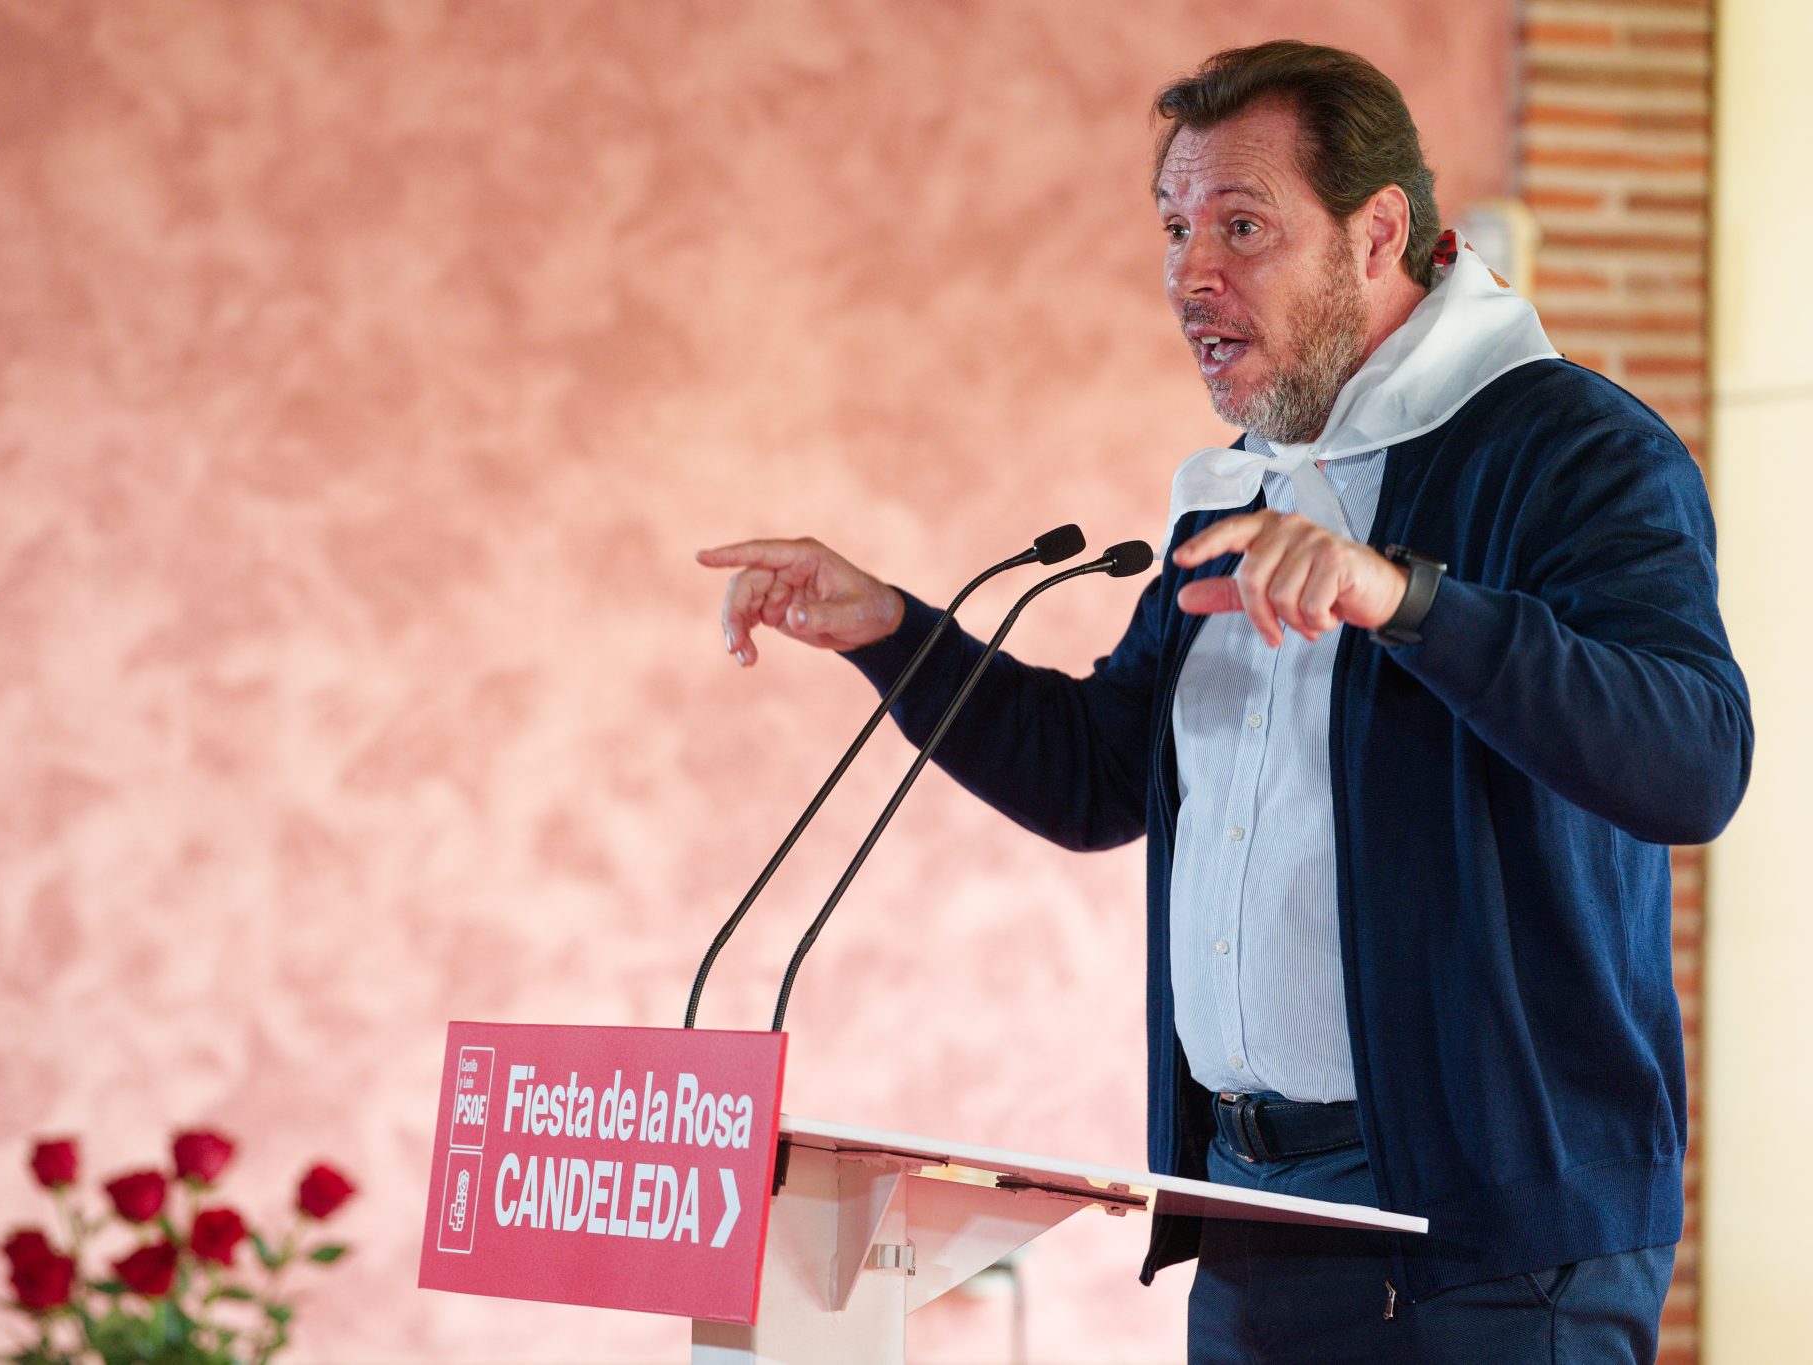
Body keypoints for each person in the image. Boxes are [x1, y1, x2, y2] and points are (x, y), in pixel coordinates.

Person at [697, 40, 1752, 1365]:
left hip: (1492, 1251)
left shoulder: (1573, 451)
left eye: (1242, 226)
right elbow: (1101, 773)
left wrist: (1405, 599)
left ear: (1379, 233)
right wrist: (896, 634)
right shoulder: (1246, 486)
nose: (1192, 273)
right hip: (1256, 1218)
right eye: (1175, 228)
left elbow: (1693, 760)